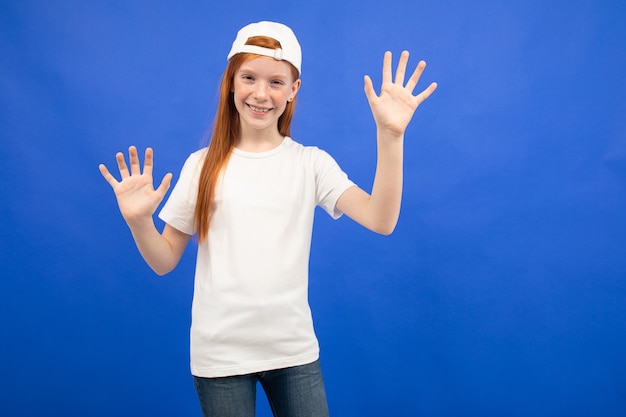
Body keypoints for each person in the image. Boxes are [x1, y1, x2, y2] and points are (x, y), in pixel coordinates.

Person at [99, 21, 436, 417]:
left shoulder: (311, 164)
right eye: (249, 78)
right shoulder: (201, 166)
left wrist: (390, 136)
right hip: (220, 355)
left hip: (292, 351)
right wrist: (140, 222)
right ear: (231, 83)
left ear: (294, 90)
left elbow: (382, 219)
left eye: (277, 82)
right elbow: (164, 260)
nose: (261, 93)